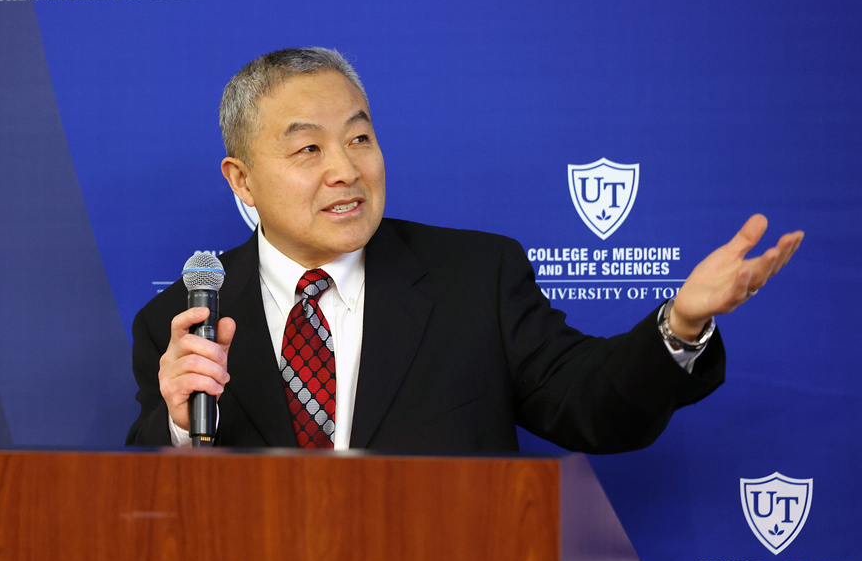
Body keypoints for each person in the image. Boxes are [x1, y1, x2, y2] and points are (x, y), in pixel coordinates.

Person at [125, 48, 803, 452]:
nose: (346, 170)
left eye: (360, 138)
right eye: (308, 149)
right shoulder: (179, 323)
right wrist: (181, 430)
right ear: (241, 179)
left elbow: (593, 405)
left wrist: (680, 325)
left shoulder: (475, 280)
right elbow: (145, 507)